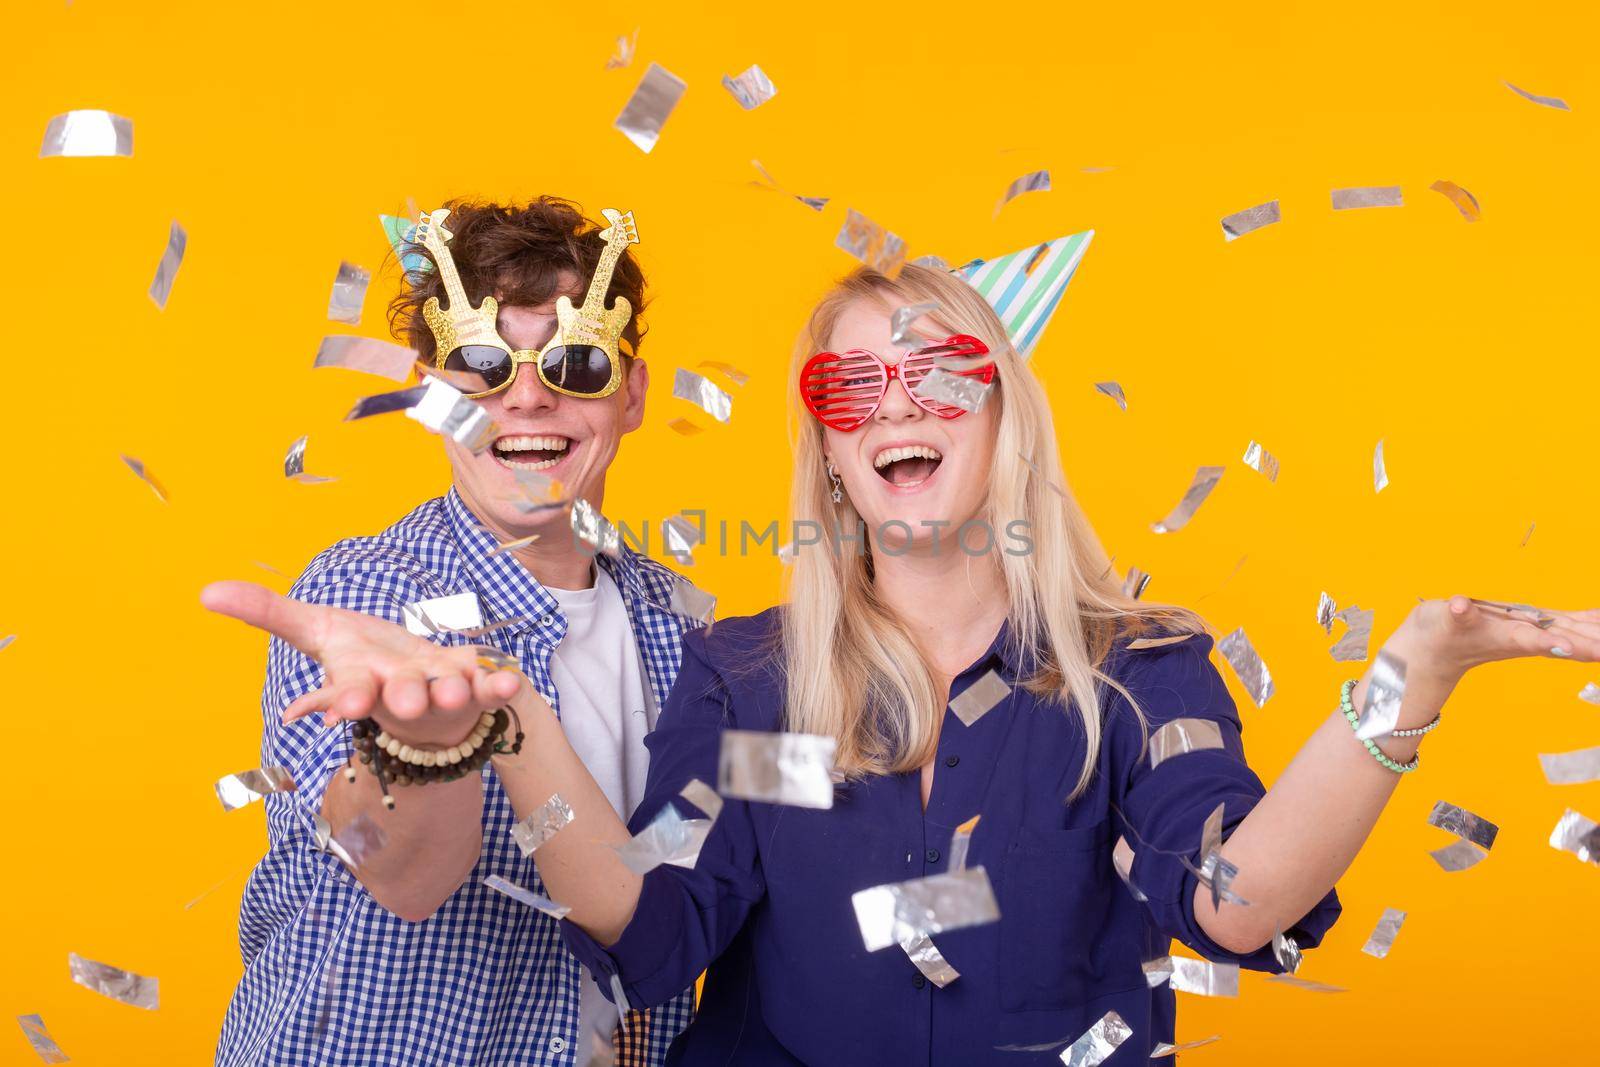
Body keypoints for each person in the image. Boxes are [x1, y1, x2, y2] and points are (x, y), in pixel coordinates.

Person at [206, 263, 1600, 1064]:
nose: (900, 408)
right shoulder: (752, 682)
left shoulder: (1135, 678)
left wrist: (1408, 679)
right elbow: (655, 922)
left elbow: (1233, 904)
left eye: (940, 373)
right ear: (828, 448)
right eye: (854, 388)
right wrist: (507, 718)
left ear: (1009, 417)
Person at [208, 197, 698, 1066]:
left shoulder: (683, 630)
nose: (530, 395)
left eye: (577, 361)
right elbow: (395, 872)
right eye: (481, 364)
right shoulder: (367, 594)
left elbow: (683, 917)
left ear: (631, 394)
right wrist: (423, 746)